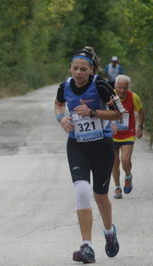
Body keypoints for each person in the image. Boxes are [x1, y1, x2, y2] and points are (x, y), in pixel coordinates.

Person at [54, 46, 121, 263]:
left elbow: (118, 114)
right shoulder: (64, 87)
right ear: (70, 69)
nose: (79, 73)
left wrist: (92, 112)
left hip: (102, 146)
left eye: (83, 69)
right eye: (75, 68)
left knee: (100, 196)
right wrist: (61, 118)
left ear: (91, 70)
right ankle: (87, 246)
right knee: (82, 190)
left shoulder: (101, 85)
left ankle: (109, 232)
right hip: (77, 145)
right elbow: (58, 105)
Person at [111, 74, 145, 199]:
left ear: (128, 87)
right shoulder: (109, 96)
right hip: (112, 135)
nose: (122, 91)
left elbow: (140, 110)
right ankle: (117, 188)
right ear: (115, 86)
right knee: (114, 162)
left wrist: (140, 127)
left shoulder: (133, 97)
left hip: (127, 134)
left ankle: (128, 175)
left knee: (125, 160)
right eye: (119, 87)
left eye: (125, 88)